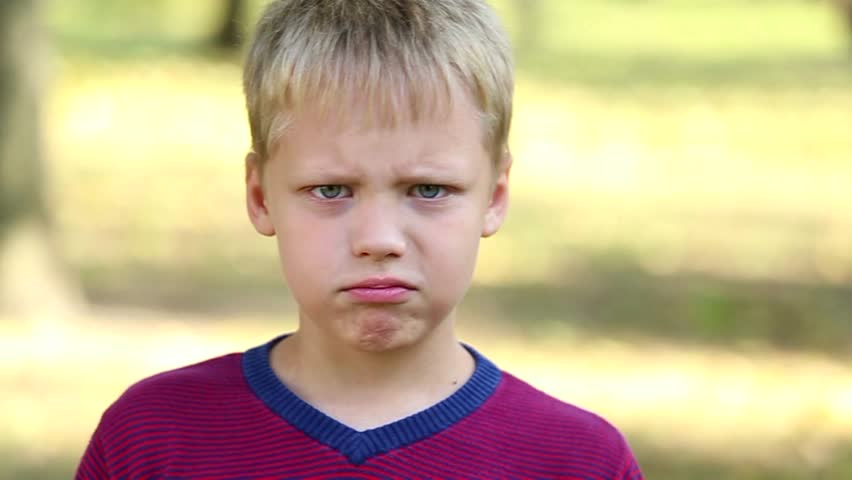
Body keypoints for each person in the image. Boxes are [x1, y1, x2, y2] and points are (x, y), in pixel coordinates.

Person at [75, 0, 644, 478]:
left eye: (428, 188)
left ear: (494, 197)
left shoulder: (577, 461)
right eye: (330, 190)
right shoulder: (154, 440)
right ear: (260, 196)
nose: (378, 240)